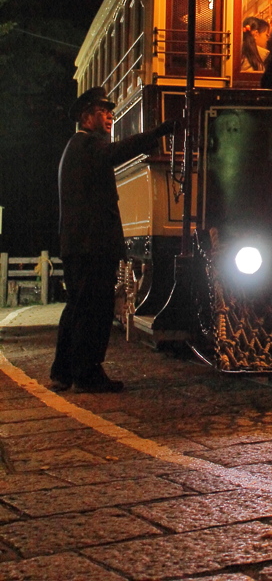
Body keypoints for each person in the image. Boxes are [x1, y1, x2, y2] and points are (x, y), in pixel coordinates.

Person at [50, 87, 178, 393]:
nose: (109, 117)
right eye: (102, 112)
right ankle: (88, 372)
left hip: (80, 244)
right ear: (86, 117)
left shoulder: (77, 147)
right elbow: (118, 152)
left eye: (110, 112)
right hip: (91, 245)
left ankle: (64, 371)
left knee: (78, 307)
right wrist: (158, 132)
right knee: (95, 309)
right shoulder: (87, 145)